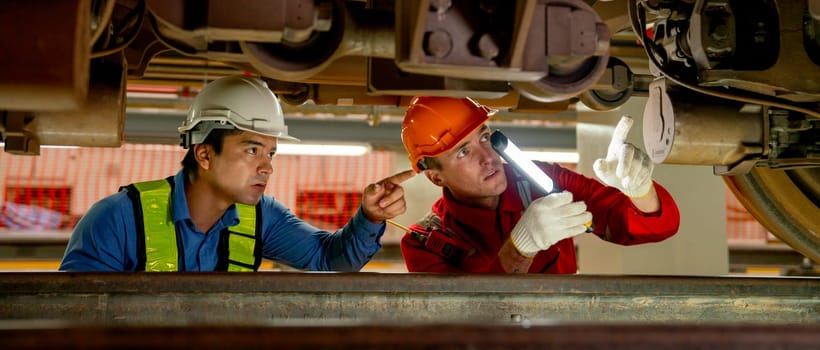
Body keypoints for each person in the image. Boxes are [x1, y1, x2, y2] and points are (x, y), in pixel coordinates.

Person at [60, 75, 414, 272]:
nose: (267, 166)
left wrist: (369, 217)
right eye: (251, 149)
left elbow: (329, 259)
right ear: (204, 154)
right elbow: (74, 317)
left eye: (270, 152)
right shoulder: (118, 218)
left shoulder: (263, 216)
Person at [399, 96, 680, 273]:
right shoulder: (424, 244)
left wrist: (640, 191)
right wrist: (520, 248)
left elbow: (655, 227)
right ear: (436, 177)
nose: (487, 157)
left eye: (484, 138)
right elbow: (468, 325)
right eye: (463, 151)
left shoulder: (538, 179)